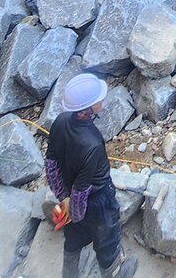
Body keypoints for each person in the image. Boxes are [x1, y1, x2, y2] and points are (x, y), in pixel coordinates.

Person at [45, 73, 136, 278]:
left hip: (70, 194)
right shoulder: (92, 143)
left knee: (73, 238)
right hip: (97, 203)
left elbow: (51, 164)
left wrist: (64, 200)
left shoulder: (60, 121)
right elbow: (82, 189)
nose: (102, 101)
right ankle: (114, 273)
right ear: (86, 110)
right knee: (107, 242)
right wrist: (77, 214)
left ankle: (69, 275)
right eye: (98, 100)